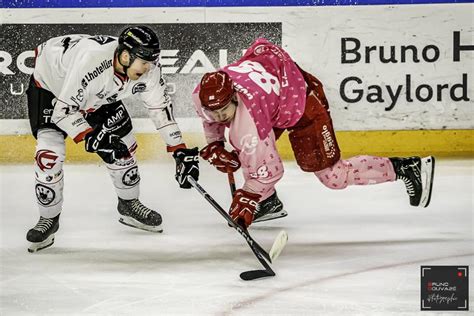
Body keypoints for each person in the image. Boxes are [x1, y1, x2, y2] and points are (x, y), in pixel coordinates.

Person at [193, 38, 435, 229]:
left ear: (235, 96)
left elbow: (272, 170)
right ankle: (268, 203)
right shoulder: (202, 95)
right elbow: (212, 119)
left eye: (224, 110)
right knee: (247, 153)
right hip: (275, 91)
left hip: (301, 103)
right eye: (213, 112)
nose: (219, 117)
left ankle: (407, 167)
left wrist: (249, 195)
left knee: (334, 176)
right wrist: (215, 144)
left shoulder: (250, 123)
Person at [26, 26, 199, 252]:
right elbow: (63, 112)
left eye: (151, 62)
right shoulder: (91, 63)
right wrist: (91, 136)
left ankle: (128, 204)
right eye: (144, 62)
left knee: (123, 143)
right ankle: (49, 218)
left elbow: (159, 108)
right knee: (49, 156)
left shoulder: (147, 68)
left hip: (96, 92)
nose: (148, 69)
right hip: (51, 86)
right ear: (125, 56)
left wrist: (178, 148)